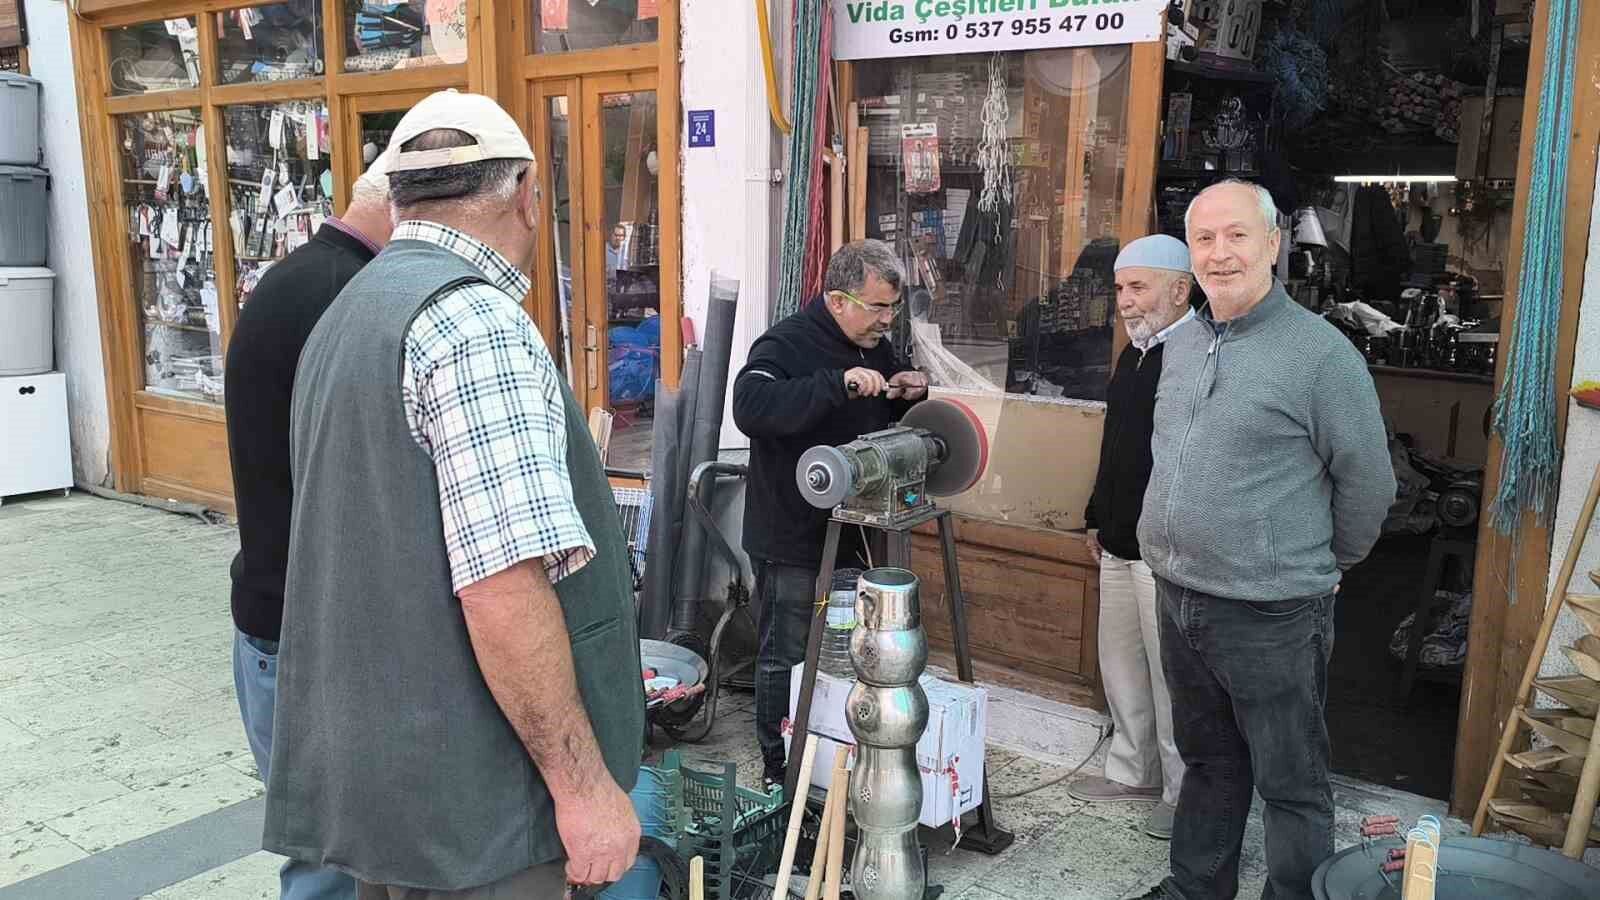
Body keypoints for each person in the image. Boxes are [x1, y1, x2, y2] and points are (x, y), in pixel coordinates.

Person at [265, 90, 644, 898]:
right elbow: (503, 586)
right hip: (479, 807)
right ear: (525, 193)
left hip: (384, 782)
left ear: (398, 197)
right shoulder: (476, 325)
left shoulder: (346, 310)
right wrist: (583, 790)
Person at [1129, 180, 1394, 900]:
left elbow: (1369, 483)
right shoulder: (1182, 343)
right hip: (1179, 592)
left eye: (1237, 235)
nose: (1220, 254)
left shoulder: (1321, 356)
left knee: (1291, 782)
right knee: (1208, 760)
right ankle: (1196, 887)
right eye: (1204, 239)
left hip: (1272, 609)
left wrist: (1323, 562)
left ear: (1273, 244)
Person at [223, 152, 396, 900]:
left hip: (268, 614)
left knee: (323, 852)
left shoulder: (291, 279)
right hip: (309, 632)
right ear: (398, 212)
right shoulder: (350, 297)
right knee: (330, 864)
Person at [732, 239, 929, 787]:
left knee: (844, 650)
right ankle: (779, 768)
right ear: (838, 300)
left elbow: (877, 409)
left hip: (855, 533)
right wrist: (834, 383)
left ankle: (831, 760)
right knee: (787, 654)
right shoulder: (786, 343)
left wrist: (906, 391)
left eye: (893, 308)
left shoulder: (874, 346)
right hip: (791, 537)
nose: (888, 321)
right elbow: (750, 406)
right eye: (878, 307)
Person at [1072, 234, 1194, 841]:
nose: (1124, 300)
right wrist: (1096, 514)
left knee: (1174, 679)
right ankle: (1133, 772)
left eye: (1138, 287)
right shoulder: (1134, 355)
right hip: (1119, 539)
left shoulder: (1197, 354)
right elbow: (1116, 443)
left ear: (1181, 290)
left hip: (1165, 549)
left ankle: (1184, 797)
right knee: (1120, 664)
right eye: (1120, 287)